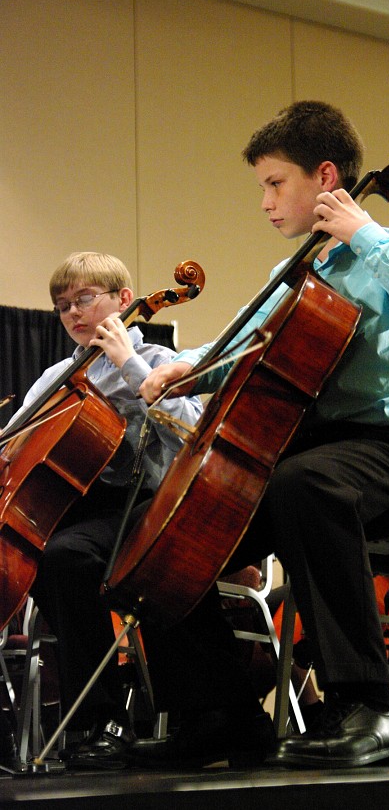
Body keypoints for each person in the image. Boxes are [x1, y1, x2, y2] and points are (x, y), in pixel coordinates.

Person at [136, 100, 389, 769]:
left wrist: (365, 234)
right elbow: (240, 349)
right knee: (171, 526)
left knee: (302, 485)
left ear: (323, 176)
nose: (264, 202)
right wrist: (183, 371)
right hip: (314, 456)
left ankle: (372, 707)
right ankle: (222, 710)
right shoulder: (293, 275)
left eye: (273, 183)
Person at [1, 252, 202, 766]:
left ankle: (103, 719)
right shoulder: (56, 377)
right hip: (80, 513)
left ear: (124, 301)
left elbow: (194, 439)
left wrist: (129, 370)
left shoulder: (158, 361)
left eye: (85, 299)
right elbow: (12, 443)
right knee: (52, 558)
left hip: (148, 509)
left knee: (66, 558)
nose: (72, 313)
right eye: (62, 306)